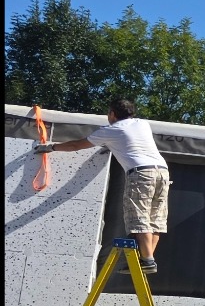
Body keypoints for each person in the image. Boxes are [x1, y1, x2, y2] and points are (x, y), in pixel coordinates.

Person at [35, 99, 172, 273]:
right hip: (162, 172)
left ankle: (148, 261)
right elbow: (130, 142)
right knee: (156, 218)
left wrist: (51, 147)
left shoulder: (111, 130)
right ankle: (146, 261)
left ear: (113, 114)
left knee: (139, 217)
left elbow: (76, 145)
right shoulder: (142, 124)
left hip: (141, 173)